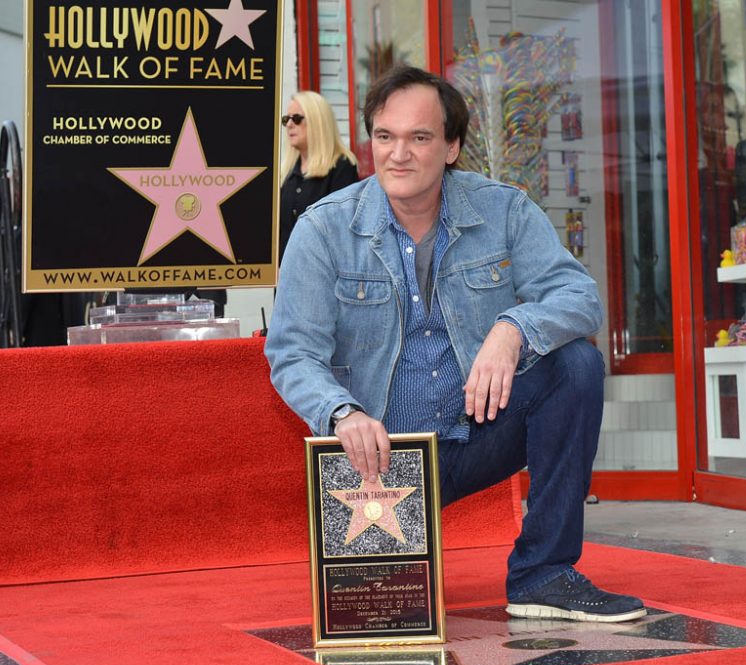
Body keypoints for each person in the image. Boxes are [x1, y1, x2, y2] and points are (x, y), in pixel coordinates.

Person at [265, 66, 645, 623]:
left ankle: (543, 574)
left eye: (419, 138)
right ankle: (397, 542)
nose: (399, 154)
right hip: (378, 461)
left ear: (451, 147)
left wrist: (513, 328)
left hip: (478, 431)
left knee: (575, 364)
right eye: (385, 136)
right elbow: (292, 352)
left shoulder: (503, 210)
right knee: (382, 613)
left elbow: (580, 297)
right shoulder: (324, 229)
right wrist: (341, 412)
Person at [278, 90, 359, 264]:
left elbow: (343, 231)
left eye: (297, 119)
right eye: (286, 119)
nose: (290, 125)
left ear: (318, 123)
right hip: (286, 275)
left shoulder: (342, 167)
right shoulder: (287, 171)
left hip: (322, 276)